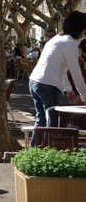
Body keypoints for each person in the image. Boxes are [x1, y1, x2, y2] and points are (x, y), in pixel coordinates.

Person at [29, 11, 86, 146]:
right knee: (53, 122)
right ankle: (49, 153)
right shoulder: (70, 43)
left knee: (41, 120)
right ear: (79, 28)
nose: (84, 33)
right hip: (47, 85)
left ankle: (34, 151)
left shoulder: (56, 39)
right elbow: (75, 72)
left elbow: (60, 69)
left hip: (34, 82)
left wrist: (68, 89)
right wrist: (84, 97)